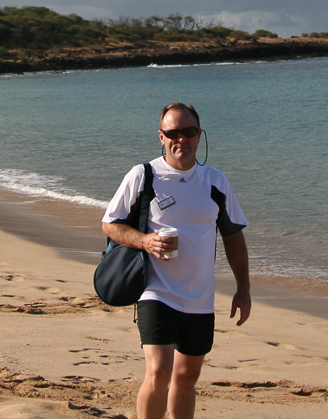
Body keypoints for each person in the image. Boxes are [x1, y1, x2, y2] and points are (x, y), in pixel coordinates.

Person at [101, 102, 251, 419]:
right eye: (173, 133)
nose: (181, 139)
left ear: (200, 135)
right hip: (156, 290)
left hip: (200, 297)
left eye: (189, 132)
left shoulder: (216, 181)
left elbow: (233, 237)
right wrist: (144, 240)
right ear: (161, 136)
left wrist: (243, 289)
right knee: (159, 371)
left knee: (186, 377)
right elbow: (110, 224)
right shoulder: (143, 175)